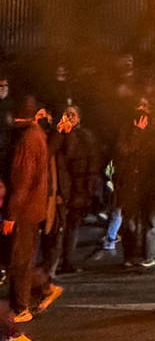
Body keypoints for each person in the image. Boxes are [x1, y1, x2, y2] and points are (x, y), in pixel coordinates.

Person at [3, 97, 60, 323]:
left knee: (19, 259)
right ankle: (43, 288)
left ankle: (21, 307)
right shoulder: (36, 134)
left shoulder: (26, 139)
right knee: (21, 257)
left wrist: (11, 215)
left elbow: (22, 180)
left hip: (24, 209)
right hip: (33, 208)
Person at [44, 105, 101, 274]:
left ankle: (67, 260)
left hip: (78, 188)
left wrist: (89, 189)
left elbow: (86, 159)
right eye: (66, 114)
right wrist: (61, 133)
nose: (69, 117)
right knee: (57, 227)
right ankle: (53, 262)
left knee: (72, 226)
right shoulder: (56, 135)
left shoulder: (85, 137)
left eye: (73, 115)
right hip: (61, 189)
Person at [114, 99, 155, 268]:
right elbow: (123, 150)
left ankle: (150, 253)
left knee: (151, 220)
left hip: (150, 182)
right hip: (130, 182)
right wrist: (137, 132)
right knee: (130, 222)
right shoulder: (126, 130)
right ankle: (130, 255)